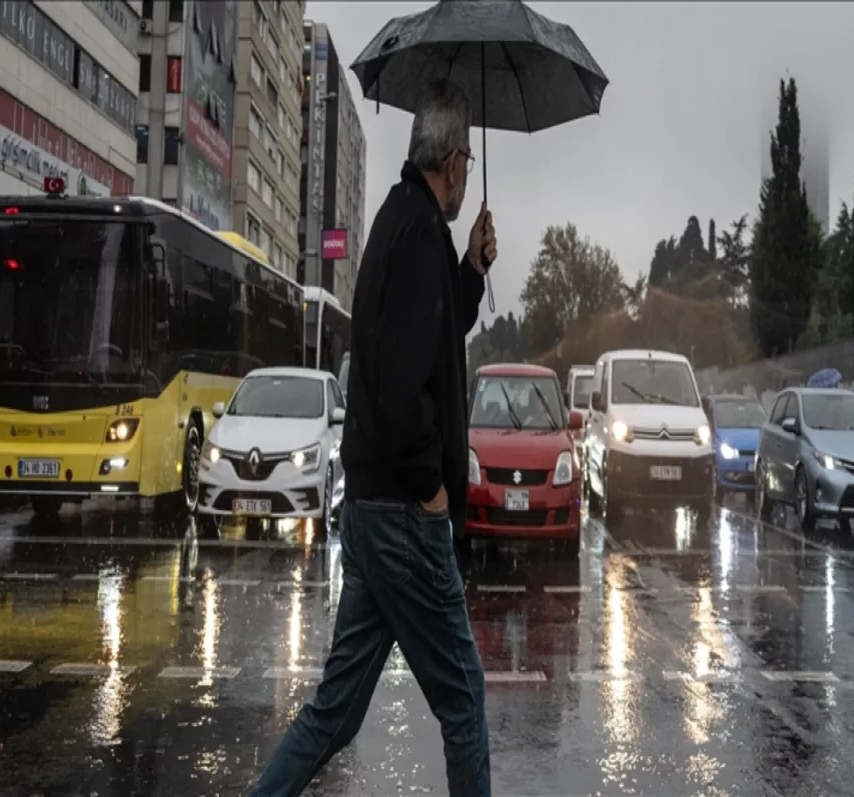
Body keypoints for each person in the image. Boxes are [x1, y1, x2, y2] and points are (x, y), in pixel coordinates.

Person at [250, 78, 498, 797]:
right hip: (401, 516)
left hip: (369, 511)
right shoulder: (420, 233)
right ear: (453, 161)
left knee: (337, 710)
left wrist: (474, 270)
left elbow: (428, 338)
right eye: (468, 166)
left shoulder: (405, 221)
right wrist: (432, 488)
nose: (467, 181)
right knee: (465, 702)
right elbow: (399, 390)